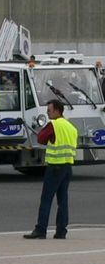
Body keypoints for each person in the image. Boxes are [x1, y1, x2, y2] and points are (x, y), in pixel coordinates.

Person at [25, 98, 75, 240]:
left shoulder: (54, 124)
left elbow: (41, 138)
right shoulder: (71, 127)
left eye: (49, 110)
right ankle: (61, 231)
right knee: (63, 200)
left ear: (57, 110)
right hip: (67, 166)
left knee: (46, 199)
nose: (47, 113)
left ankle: (41, 229)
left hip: (55, 166)